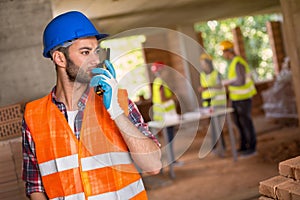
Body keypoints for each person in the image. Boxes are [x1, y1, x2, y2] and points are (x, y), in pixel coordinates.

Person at [22, 11, 162, 200]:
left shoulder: (118, 102)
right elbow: (35, 186)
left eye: (96, 51)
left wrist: (116, 112)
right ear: (60, 59)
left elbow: (153, 165)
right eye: (85, 52)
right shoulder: (34, 116)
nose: (96, 60)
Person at [219, 40, 257, 157]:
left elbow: (240, 81)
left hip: (243, 99)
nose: (223, 55)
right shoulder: (233, 63)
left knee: (246, 123)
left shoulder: (238, 62)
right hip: (237, 99)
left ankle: (251, 148)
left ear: (228, 51)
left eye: (223, 52)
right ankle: (243, 146)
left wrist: (227, 82)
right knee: (238, 123)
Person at [151, 61, 183, 167]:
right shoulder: (160, 82)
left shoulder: (157, 82)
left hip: (163, 116)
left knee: (167, 140)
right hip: (166, 117)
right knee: (169, 140)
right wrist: (174, 97)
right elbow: (163, 98)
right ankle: (171, 161)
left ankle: (169, 160)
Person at [198, 53, 226, 155]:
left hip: (218, 104)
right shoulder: (202, 75)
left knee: (218, 126)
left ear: (209, 63)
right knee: (213, 127)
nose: (202, 65)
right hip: (208, 105)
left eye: (203, 63)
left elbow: (220, 86)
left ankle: (222, 147)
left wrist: (207, 87)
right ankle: (215, 147)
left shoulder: (216, 74)